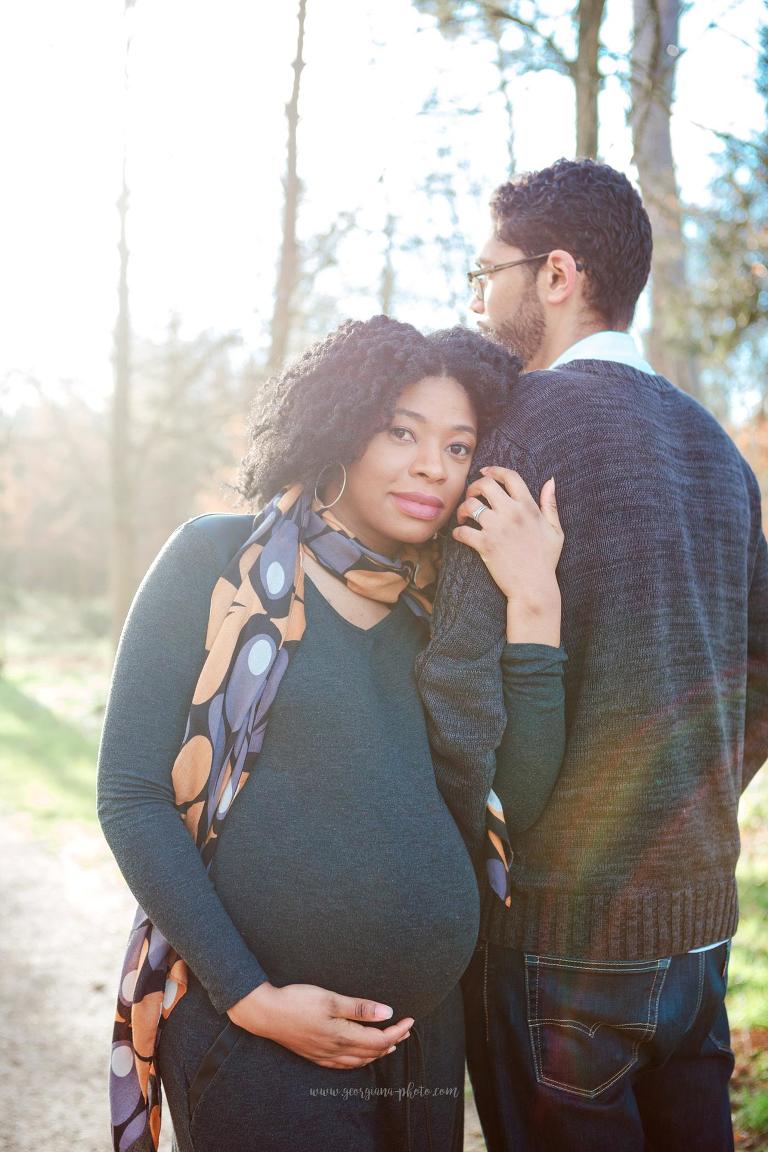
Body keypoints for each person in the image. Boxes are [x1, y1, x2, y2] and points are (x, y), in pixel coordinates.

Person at [97, 315, 567, 1152]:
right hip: (258, 1039)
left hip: (422, 1042)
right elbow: (131, 796)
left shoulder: (442, 613)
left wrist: (534, 607)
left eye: (459, 447)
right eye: (402, 432)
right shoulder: (216, 560)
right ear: (340, 428)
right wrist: (249, 997)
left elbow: (513, 802)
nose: (435, 464)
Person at [415, 158, 768, 1152]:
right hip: (701, 928)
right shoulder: (719, 453)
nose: (478, 303)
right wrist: (688, 795)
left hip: (559, 935)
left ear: (558, 274)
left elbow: (458, 697)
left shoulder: (517, 433)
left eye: (488, 276)